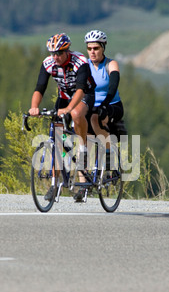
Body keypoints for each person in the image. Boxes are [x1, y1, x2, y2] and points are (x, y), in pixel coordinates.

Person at [29, 33, 96, 201]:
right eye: (53, 53)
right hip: (65, 97)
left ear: (67, 51)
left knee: (74, 113)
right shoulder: (48, 64)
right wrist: (34, 107)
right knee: (58, 139)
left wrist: (68, 109)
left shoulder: (79, 62)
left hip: (84, 95)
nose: (56, 57)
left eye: (59, 53)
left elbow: (80, 90)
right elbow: (40, 88)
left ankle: (83, 146)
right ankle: (55, 184)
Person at [84, 30, 124, 167]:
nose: (92, 52)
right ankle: (84, 184)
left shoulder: (111, 64)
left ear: (103, 48)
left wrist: (104, 105)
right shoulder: (85, 66)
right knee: (83, 141)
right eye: (89, 49)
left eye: (96, 48)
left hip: (112, 105)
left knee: (95, 118)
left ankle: (108, 153)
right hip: (90, 106)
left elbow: (113, 87)